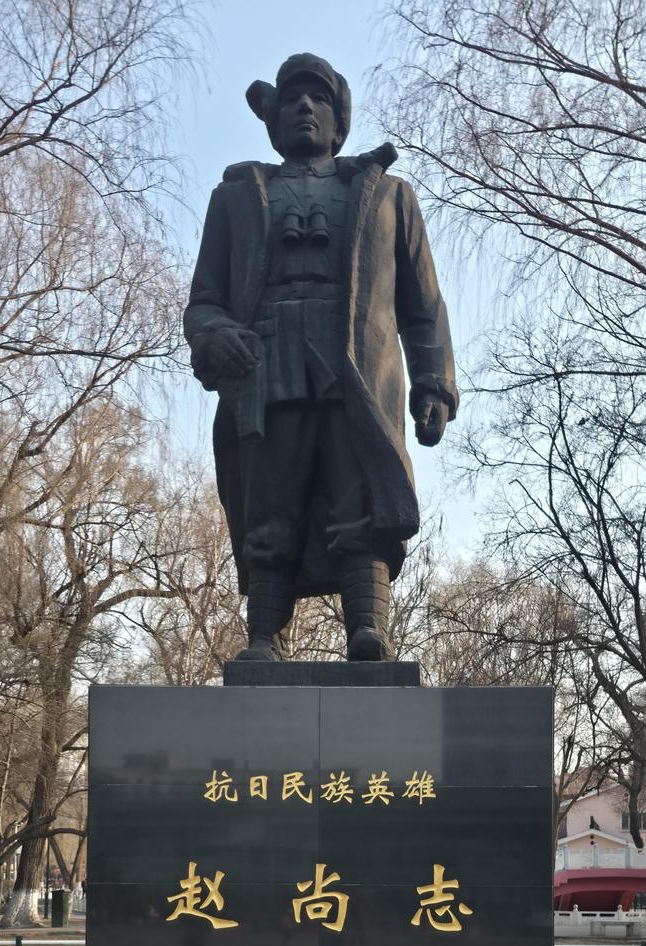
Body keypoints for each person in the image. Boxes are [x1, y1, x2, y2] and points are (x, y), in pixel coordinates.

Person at [185, 52, 457, 663]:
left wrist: (434, 383)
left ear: (339, 122)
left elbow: (424, 305)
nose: (304, 107)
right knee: (269, 500)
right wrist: (214, 334)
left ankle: (368, 628)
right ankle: (264, 636)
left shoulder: (389, 196)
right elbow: (203, 302)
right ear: (273, 121)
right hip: (266, 365)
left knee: (360, 494)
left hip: (357, 365)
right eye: (290, 99)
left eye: (319, 99)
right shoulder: (235, 198)